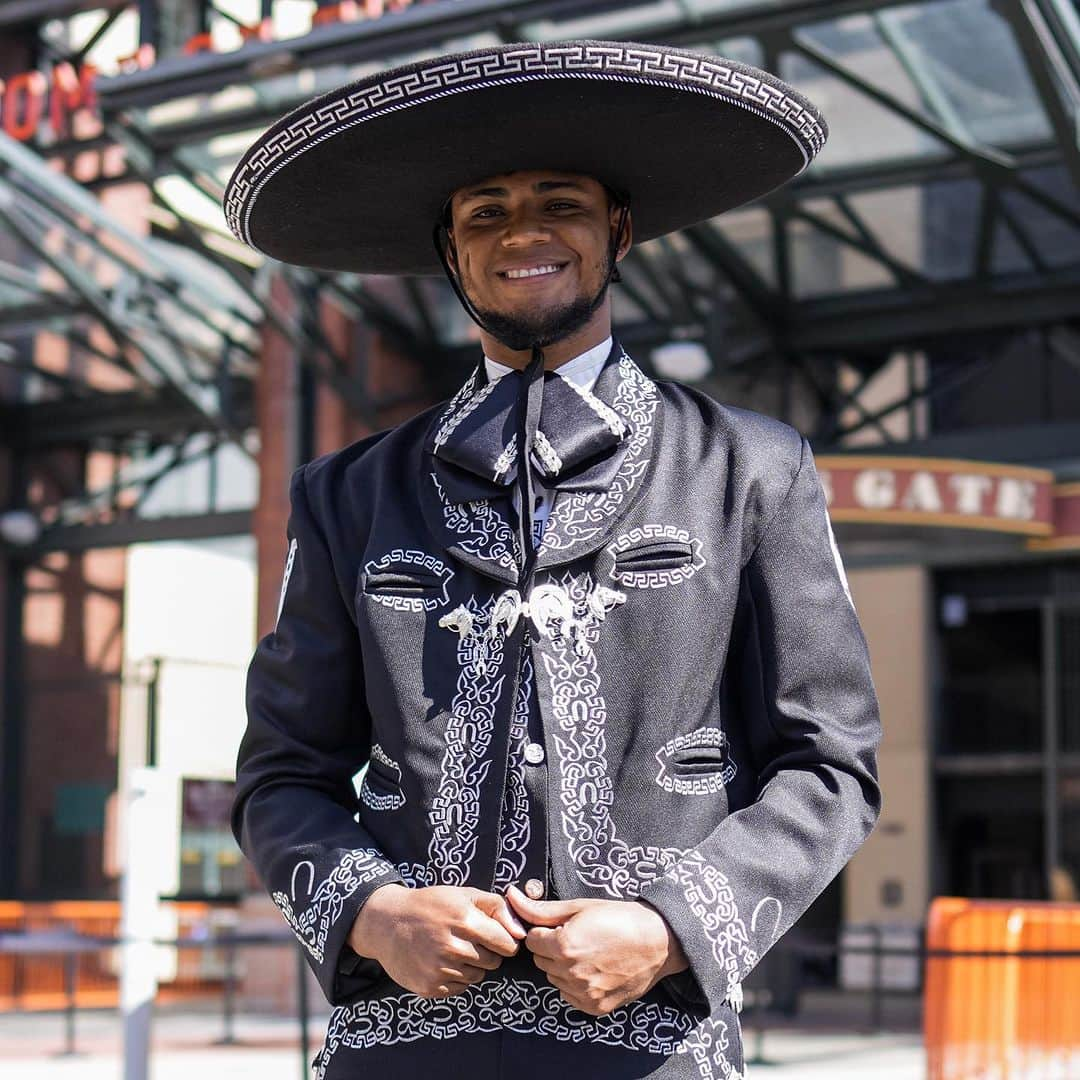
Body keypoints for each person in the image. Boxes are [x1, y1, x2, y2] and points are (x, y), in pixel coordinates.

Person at [225, 39, 882, 1080]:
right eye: (484, 210)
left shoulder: (755, 468)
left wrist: (672, 928)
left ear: (617, 231)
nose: (522, 231)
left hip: (656, 1054)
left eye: (559, 202)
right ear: (449, 250)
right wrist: (373, 913)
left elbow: (831, 765)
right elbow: (280, 776)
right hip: (402, 1059)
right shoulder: (347, 495)